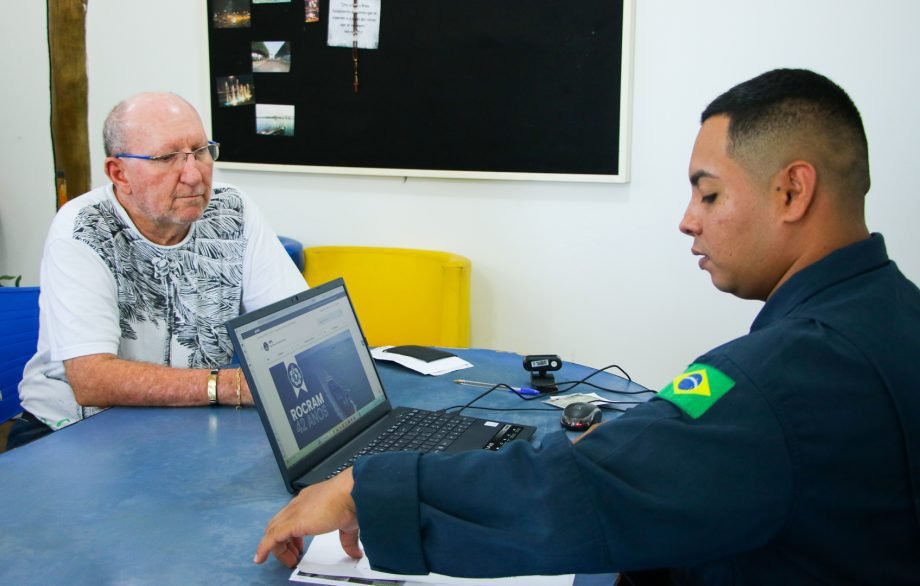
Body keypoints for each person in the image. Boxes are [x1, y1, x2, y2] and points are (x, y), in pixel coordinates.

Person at [253, 69, 920, 583]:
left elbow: (571, 496)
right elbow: (702, 439)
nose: (688, 220)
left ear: (792, 191)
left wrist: (366, 490)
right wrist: (646, 442)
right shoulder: (892, 313)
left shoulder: (778, 380)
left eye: (709, 193)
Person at [9, 92, 306, 449]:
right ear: (119, 173)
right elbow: (91, 379)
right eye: (166, 158)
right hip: (73, 430)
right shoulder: (83, 228)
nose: (194, 175)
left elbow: (297, 325)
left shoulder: (231, 209)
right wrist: (231, 386)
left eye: (200, 151)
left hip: (187, 420)